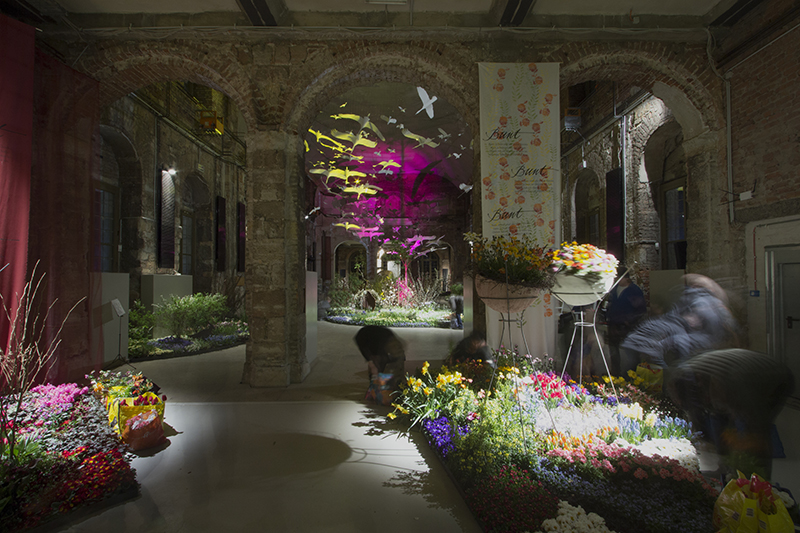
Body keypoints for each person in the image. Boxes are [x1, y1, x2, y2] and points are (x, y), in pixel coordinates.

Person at [668, 349, 794, 480]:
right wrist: (703, 435)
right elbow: (696, 410)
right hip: (734, 373)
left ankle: (759, 481)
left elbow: (750, 417)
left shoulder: (733, 382)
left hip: (773, 379)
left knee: (756, 434)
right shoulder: (683, 379)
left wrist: (742, 439)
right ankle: (725, 471)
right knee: (721, 421)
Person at [621, 273, 739, 369]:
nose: (693, 288)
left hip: (693, 338)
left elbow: (715, 326)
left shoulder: (705, 302)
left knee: (674, 342)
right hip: (679, 334)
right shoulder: (695, 300)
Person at [603, 271, 647, 376]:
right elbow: (609, 304)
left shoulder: (634, 291)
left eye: (619, 277)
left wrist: (630, 321)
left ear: (626, 278)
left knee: (631, 351)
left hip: (628, 325)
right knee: (613, 350)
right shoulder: (614, 290)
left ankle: (632, 374)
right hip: (613, 324)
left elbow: (641, 310)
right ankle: (615, 372)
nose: (616, 280)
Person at [354, 326, 406, 403]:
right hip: (364, 339)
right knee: (377, 367)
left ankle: (386, 388)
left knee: (392, 364)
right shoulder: (376, 348)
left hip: (379, 338)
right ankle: (374, 390)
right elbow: (374, 364)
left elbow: (399, 366)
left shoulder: (395, 345)